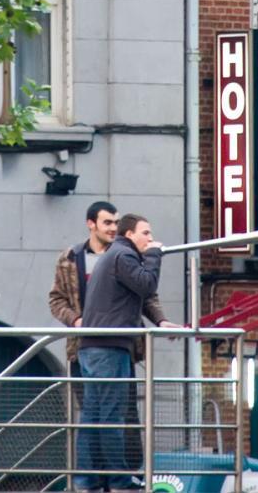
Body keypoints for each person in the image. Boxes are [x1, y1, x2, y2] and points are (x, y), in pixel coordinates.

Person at [49, 201, 175, 472]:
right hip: (84, 344)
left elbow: (145, 293)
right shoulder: (71, 258)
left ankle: (120, 476)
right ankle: (101, 477)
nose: (113, 228)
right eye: (107, 222)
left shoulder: (126, 254)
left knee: (122, 413)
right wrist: (76, 320)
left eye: (116, 223)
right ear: (91, 224)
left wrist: (161, 320)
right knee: (95, 414)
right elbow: (56, 299)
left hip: (117, 343)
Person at [74, 213, 165, 493]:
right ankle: (117, 481)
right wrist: (154, 255)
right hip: (109, 347)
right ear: (130, 235)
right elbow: (147, 284)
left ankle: (88, 481)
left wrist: (161, 320)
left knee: (93, 415)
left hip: (96, 346)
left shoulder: (114, 256)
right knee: (111, 416)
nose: (150, 239)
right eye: (146, 233)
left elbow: (139, 293)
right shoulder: (124, 256)